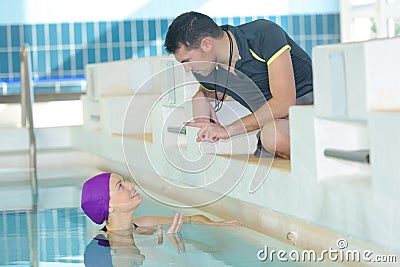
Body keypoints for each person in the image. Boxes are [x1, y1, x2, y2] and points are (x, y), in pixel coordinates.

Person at [164, 11, 313, 159]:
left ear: (207, 44)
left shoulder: (264, 34)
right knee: (270, 138)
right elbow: (213, 90)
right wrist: (200, 97)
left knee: (272, 135)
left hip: (311, 116)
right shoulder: (205, 69)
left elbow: (284, 103)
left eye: (187, 61)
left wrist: (229, 130)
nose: (187, 69)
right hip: (276, 128)